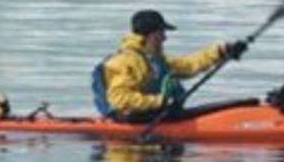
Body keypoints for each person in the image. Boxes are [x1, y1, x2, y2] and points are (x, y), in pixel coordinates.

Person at [94, 8, 248, 122]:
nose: (165, 38)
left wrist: (222, 51)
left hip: (155, 115)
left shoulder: (154, 59)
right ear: (150, 34)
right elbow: (119, 99)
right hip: (135, 120)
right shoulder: (126, 61)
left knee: (246, 103)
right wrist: (159, 101)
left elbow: (189, 65)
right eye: (161, 33)